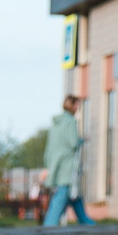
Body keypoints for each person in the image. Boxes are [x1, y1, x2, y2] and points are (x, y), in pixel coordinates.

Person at [43, 97, 93, 226]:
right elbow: (72, 143)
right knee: (62, 196)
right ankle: (48, 228)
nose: (78, 108)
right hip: (67, 166)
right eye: (78, 105)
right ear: (74, 105)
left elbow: (49, 147)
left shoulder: (56, 124)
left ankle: (88, 223)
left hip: (57, 165)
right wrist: (82, 140)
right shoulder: (71, 122)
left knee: (74, 197)